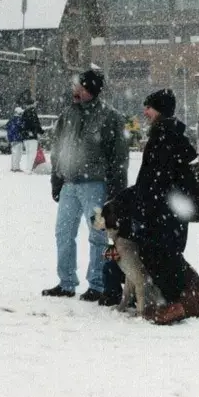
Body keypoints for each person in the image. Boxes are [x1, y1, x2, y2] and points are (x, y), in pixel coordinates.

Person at [99, 89, 199, 324]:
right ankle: (187, 299)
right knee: (168, 256)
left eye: (149, 107)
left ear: (159, 110)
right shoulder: (175, 135)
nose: (145, 111)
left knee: (160, 257)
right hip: (173, 212)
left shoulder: (162, 138)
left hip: (162, 214)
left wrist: (124, 201)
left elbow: (151, 184)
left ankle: (183, 303)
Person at [43, 68, 129, 301]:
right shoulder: (67, 115)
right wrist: (56, 179)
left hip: (96, 187)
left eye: (79, 87)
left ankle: (98, 285)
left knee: (98, 236)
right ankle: (66, 282)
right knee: (63, 233)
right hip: (69, 185)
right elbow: (58, 149)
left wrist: (116, 192)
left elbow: (119, 158)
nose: (75, 91)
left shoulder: (110, 117)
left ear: (91, 90)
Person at [18, 94, 45, 173]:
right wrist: (40, 131)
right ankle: (29, 169)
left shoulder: (24, 113)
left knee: (28, 154)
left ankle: (28, 168)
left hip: (26, 137)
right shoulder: (32, 112)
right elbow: (36, 124)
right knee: (32, 154)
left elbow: (22, 125)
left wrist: (24, 132)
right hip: (32, 137)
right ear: (32, 104)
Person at [6, 107, 25, 172]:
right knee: (18, 154)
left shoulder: (11, 120)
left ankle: (13, 167)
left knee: (14, 154)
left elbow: (8, 128)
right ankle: (16, 168)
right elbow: (22, 128)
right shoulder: (19, 120)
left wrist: (10, 138)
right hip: (18, 139)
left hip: (13, 140)